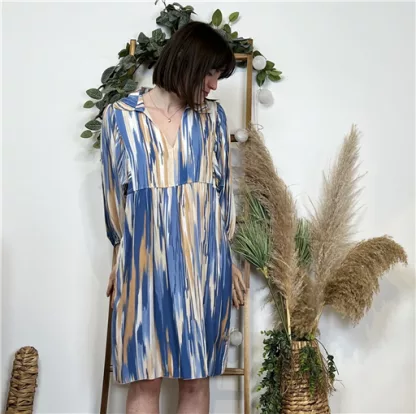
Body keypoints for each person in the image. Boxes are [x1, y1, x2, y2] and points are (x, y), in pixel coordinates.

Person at [100, 20, 246, 414]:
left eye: (219, 77)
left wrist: (227, 257)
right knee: (145, 379)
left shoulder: (212, 118)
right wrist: (122, 257)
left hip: (203, 264)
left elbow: (223, 193)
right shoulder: (120, 117)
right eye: (211, 73)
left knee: (196, 379)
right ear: (187, 61)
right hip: (143, 264)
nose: (213, 85)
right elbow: (114, 197)